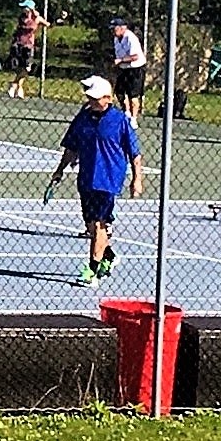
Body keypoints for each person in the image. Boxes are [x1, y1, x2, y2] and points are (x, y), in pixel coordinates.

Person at [50, 74, 144, 286]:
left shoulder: (120, 121)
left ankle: (91, 271)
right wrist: (59, 171)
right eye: (90, 98)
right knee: (91, 226)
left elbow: (135, 154)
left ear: (108, 99)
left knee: (100, 224)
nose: (91, 101)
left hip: (108, 180)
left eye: (95, 98)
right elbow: (71, 148)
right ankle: (108, 256)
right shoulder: (82, 118)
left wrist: (137, 179)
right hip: (86, 179)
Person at [105, 17, 149, 121]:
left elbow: (135, 57)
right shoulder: (116, 39)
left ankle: (133, 118)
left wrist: (120, 60)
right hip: (124, 68)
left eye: (114, 29)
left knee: (133, 95)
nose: (112, 31)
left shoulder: (130, 38)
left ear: (122, 28)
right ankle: (126, 113)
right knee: (119, 92)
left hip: (136, 68)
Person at [5, 1, 44, 100]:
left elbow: (47, 24)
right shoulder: (22, 18)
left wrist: (38, 17)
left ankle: (14, 84)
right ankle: (19, 88)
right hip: (18, 44)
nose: (23, 9)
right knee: (19, 67)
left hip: (28, 46)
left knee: (27, 68)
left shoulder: (36, 19)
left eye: (25, 7)